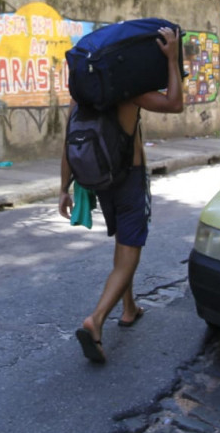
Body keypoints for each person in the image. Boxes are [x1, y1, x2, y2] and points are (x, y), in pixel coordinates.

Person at [58, 26, 184, 364]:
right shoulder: (130, 93)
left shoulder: (80, 98)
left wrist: (63, 189)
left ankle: (129, 308)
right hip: (129, 179)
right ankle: (95, 320)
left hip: (99, 182)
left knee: (122, 245)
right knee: (131, 250)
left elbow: (68, 145)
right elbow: (175, 103)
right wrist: (171, 59)